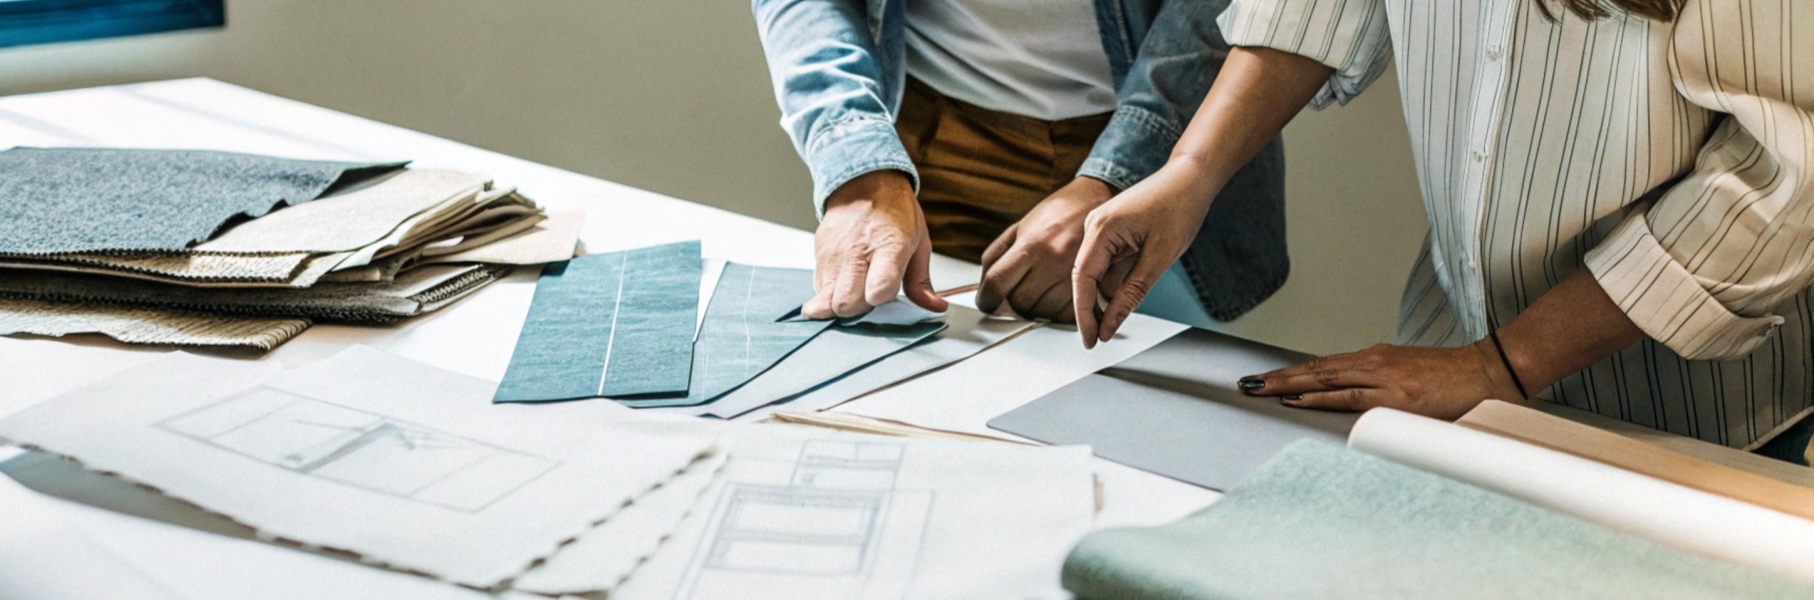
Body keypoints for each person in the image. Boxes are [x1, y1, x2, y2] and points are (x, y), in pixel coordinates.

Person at [1069, 0, 1814, 461]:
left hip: (1685, 419)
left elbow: (1783, 177)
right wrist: (1191, 171)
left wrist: (1505, 365)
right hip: (1452, 361)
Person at [752, 0, 1288, 327]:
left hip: (1162, 151)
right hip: (917, 155)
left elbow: (1232, 10)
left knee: (1152, 442)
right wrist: (859, 166)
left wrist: (1113, 177)